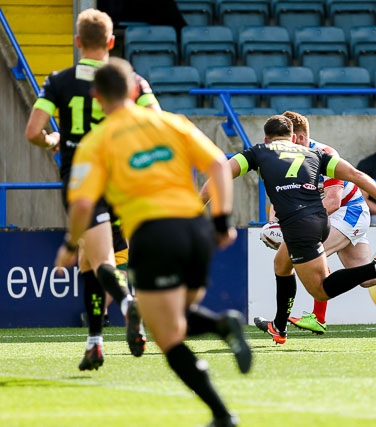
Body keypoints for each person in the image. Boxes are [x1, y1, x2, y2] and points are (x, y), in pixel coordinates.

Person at [54, 57, 251, 427]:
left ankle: (223, 411)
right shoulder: (172, 122)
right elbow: (220, 166)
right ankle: (222, 327)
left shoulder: (96, 141)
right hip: (195, 230)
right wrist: (222, 220)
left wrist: (69, 244)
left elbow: (82, 203)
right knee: (176, 316)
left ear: (97, 98)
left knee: (168, 335)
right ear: (133, 90)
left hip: (154, 234)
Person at [221, 115, 376, 345]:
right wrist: (276, 222)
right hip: (330, 216)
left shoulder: (322, 153)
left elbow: (332, 201)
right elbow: (283, 197)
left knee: (306, 253)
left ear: (298, 137)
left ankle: (314, 318)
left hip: (347, 212)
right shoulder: (288, 155)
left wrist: (291, 223)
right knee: (364, 279)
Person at [25, 8, 159, 370]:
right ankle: (95, 342)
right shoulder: (129, 80)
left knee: (98, 259)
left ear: (77, 41)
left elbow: (33, 131)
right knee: (88, 259)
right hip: (122, 178)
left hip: (83, 179)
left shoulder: (59, 81)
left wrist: (54, 138)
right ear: (112, 42)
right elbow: (156, 121)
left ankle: (129, 303)